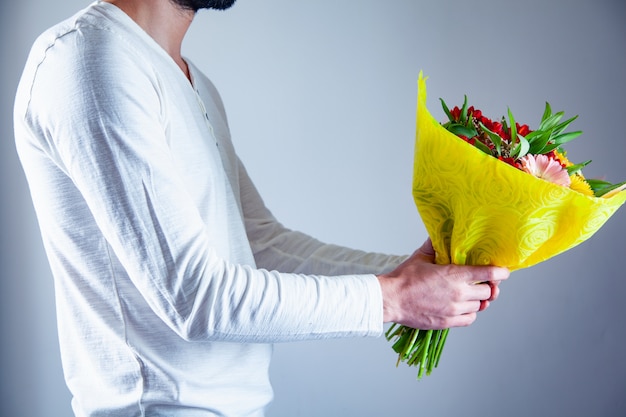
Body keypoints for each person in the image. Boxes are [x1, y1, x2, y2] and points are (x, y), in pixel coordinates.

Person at [14, 0, 509, 415]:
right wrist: (393, 298)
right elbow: (195, 297)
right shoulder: (92, 59)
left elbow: (258, 243)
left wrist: (411, 276)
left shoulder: (189, 80)